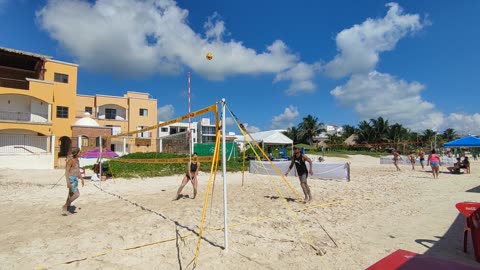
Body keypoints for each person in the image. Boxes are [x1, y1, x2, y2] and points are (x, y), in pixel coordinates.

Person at [63, 148, 84, 216]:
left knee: (70, 194)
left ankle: (66, 209)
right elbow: (66, 171)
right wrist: (68, 182)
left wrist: (81, 178)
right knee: (76, 194)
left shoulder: (77, 161)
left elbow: (77, 170)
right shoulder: (71, 161)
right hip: (71, 179)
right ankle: (66, 205)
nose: (81, 153)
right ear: (76, 153)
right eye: (80, 152)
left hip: (75, 179)